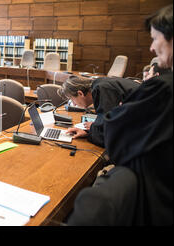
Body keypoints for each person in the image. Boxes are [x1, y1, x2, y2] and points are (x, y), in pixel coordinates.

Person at [103, 4, 172, 225]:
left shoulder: (164, 89)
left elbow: (117, 135)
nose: (152, 48)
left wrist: (145, 91)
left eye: (155, 39)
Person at [58, 75, 140, 147]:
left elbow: (107, 134)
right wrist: (95, 127)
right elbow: (108, 121)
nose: (74, 104)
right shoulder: (100, 84)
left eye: (72, 99)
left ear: (80, 93)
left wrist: (90, 132)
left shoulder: (103, 89)